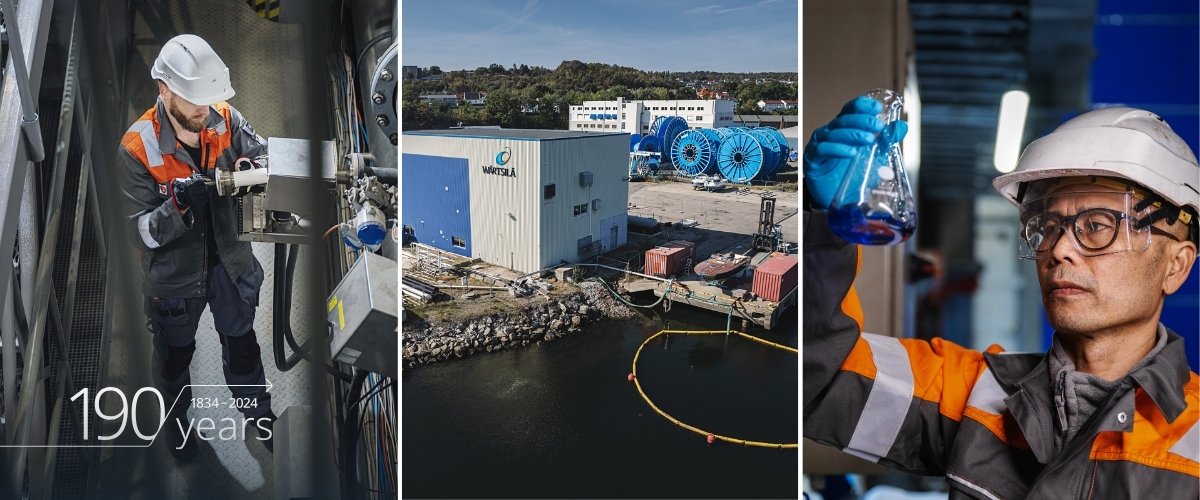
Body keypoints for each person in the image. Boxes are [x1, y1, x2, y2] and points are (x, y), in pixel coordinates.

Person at [803, 96, 1199, 498]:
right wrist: (822, 220)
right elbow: (819, 377)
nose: (1059, 249)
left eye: (1097, 225)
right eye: (1046, 226)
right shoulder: (978, 395)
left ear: (1176, 266)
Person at [117, 34, 274, 459]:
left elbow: (262, 154)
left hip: (230, 266)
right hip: (173, 284)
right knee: (173, 361)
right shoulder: (137, 150)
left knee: (243, 350)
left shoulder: (224, 117)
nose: (203, 110)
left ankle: (259, 416)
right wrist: (178, 206)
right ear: (164, 90)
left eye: (210, 98)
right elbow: (138, 232)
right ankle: (177, 423)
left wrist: (250, 169)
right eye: (193, 100)